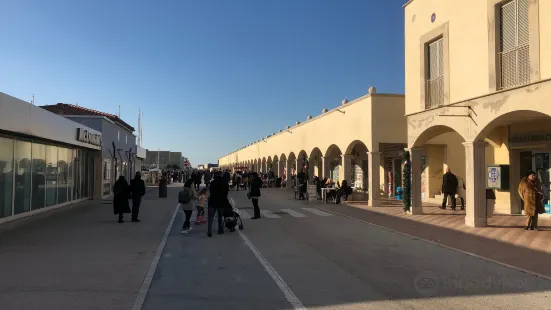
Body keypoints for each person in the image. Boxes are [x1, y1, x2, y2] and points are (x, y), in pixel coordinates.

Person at [208, 171, 229, 237]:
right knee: (220, 217)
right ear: (221, 175)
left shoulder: (212, 182)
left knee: (211, 217)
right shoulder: (225, 183)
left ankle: (209, 231)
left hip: (213, 201)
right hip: (221, 201)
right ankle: (220, 230)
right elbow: (226, 192)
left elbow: (210, 191)